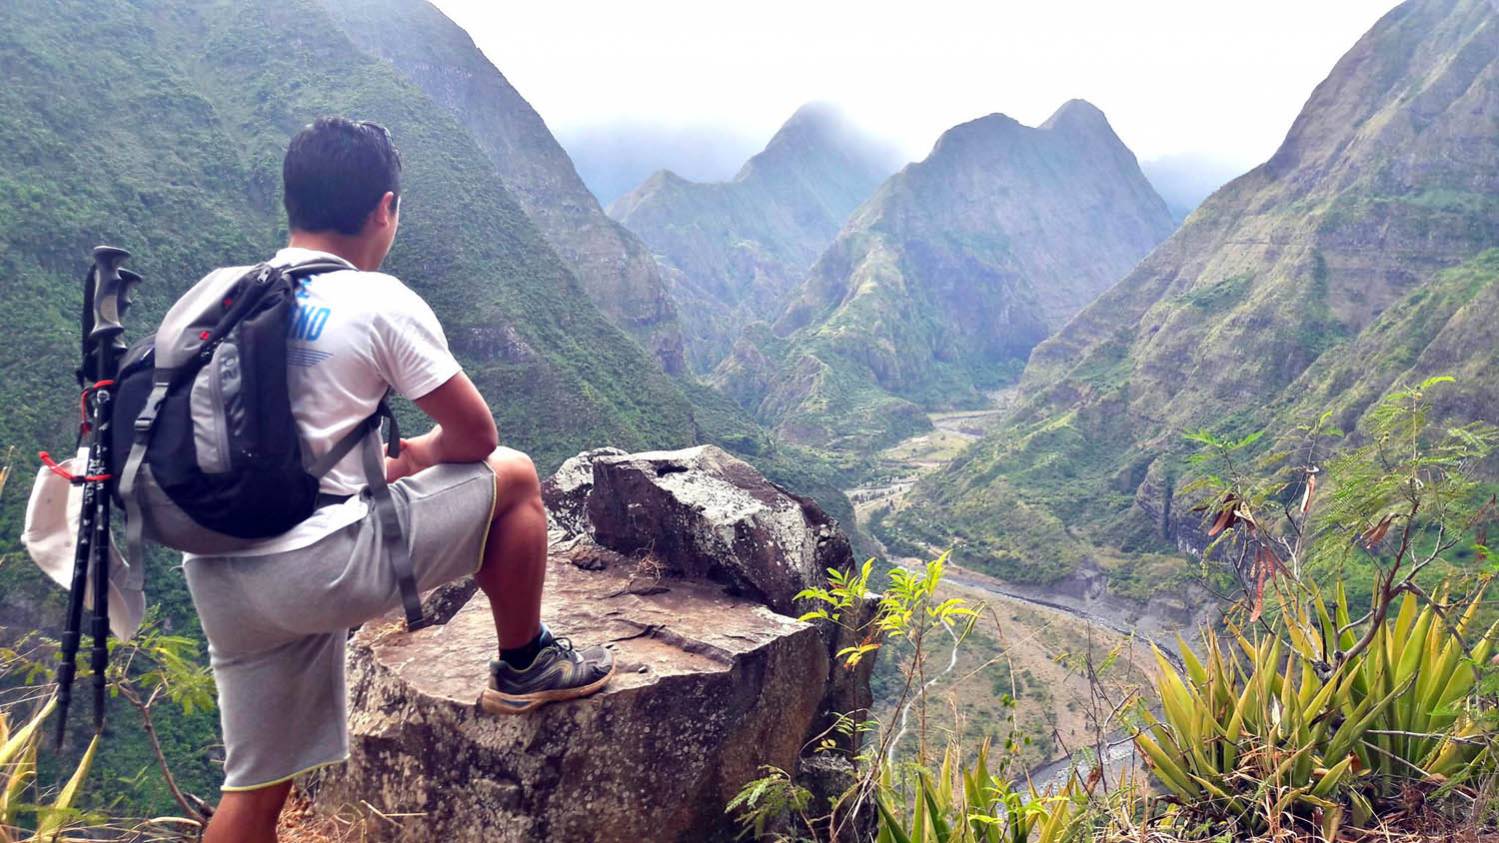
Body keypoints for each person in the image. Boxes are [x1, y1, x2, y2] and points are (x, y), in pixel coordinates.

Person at [184, 117, 614, 843]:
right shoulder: (378, 299)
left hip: (219, 570)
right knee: (514, 475)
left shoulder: (218, 295)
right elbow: (477, 437)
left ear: (291, 204)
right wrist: (411, 454)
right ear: (384, 208)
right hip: (317, 567)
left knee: (254, 792)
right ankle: (525, 662)